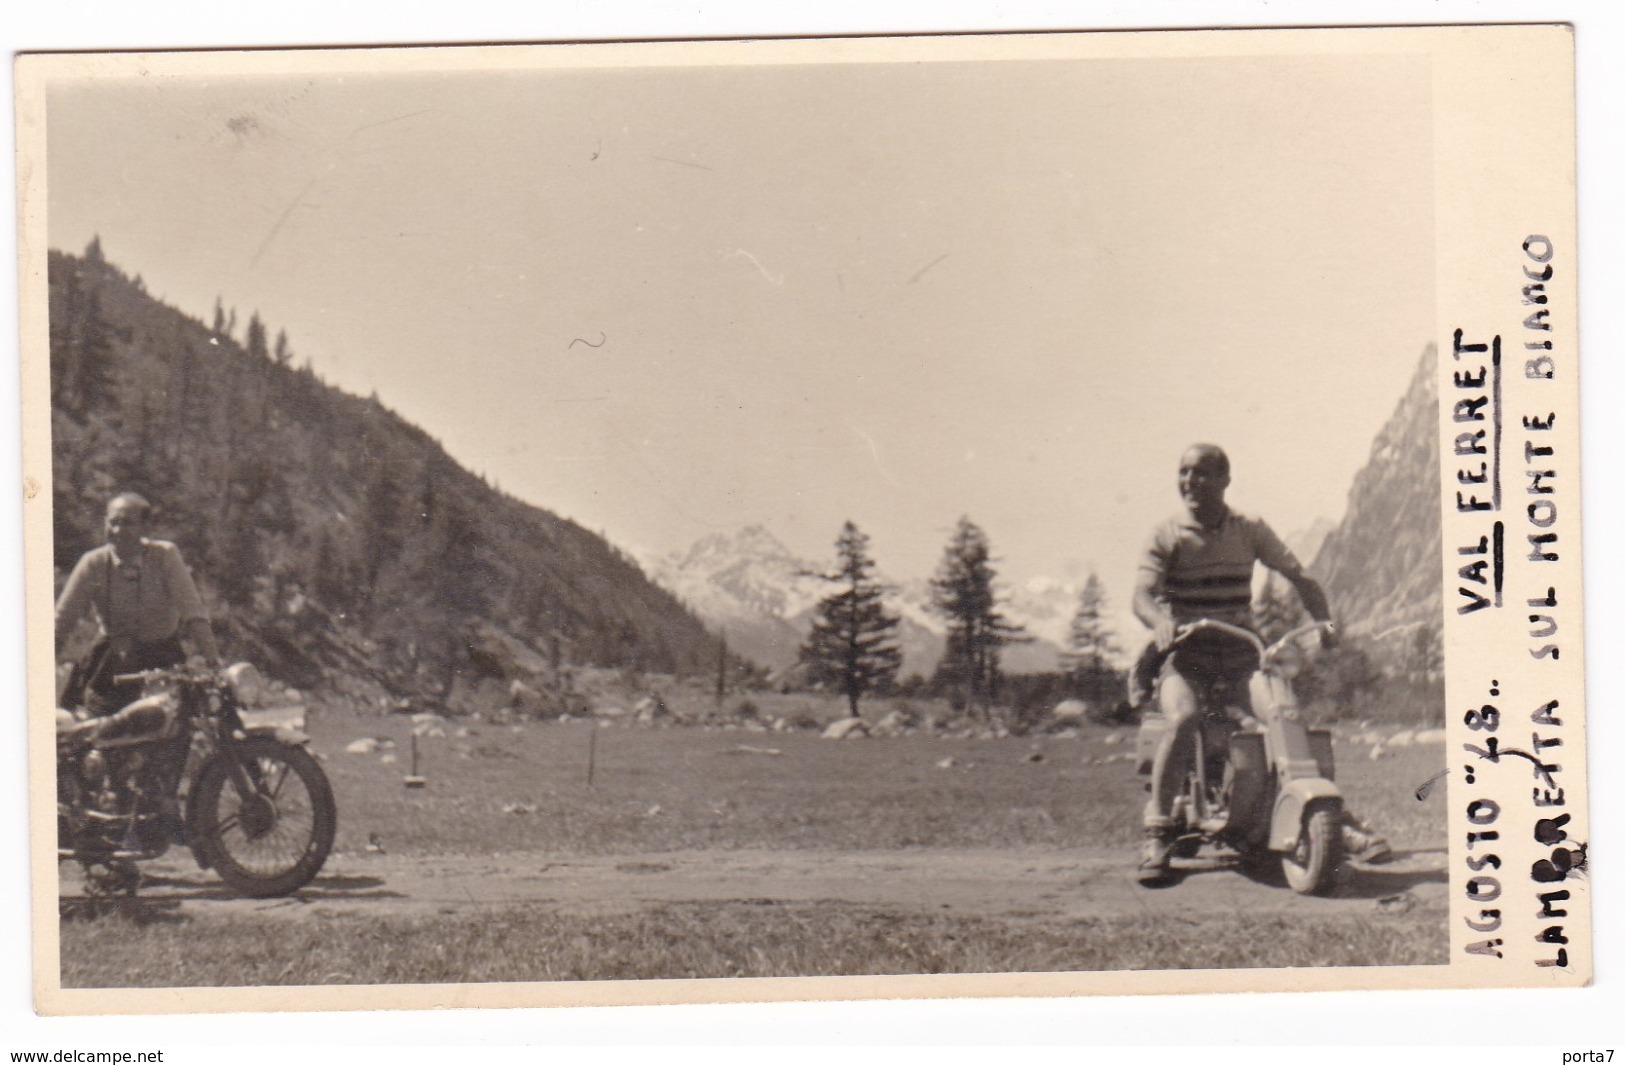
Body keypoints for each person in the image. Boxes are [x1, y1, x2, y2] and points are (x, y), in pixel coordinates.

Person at [1132, 444, 1387, 883]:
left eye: (1203, 473)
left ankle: (1333, 819)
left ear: (1226, 479)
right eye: (1184, 472)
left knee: (1283, 714)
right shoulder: (1166, 534)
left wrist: (1324, 623)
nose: (1191, 481)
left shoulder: (1248, 530)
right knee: (1184, 717)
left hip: (1239, 654)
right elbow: (1140, 595)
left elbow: (1299, 576)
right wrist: (1158, 622)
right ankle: (1158, 830)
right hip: (1187, 656)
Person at [55, 492, 220, 713]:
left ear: (145, 527)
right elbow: (62, 621)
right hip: (112, 660)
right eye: (113, 523)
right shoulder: (92, 563)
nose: (118, 531)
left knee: (179, 724)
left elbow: (193, 613)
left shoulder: (165, 555)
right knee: (102, 727)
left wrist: (213, 662)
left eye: (128, 524)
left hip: (162, 656)